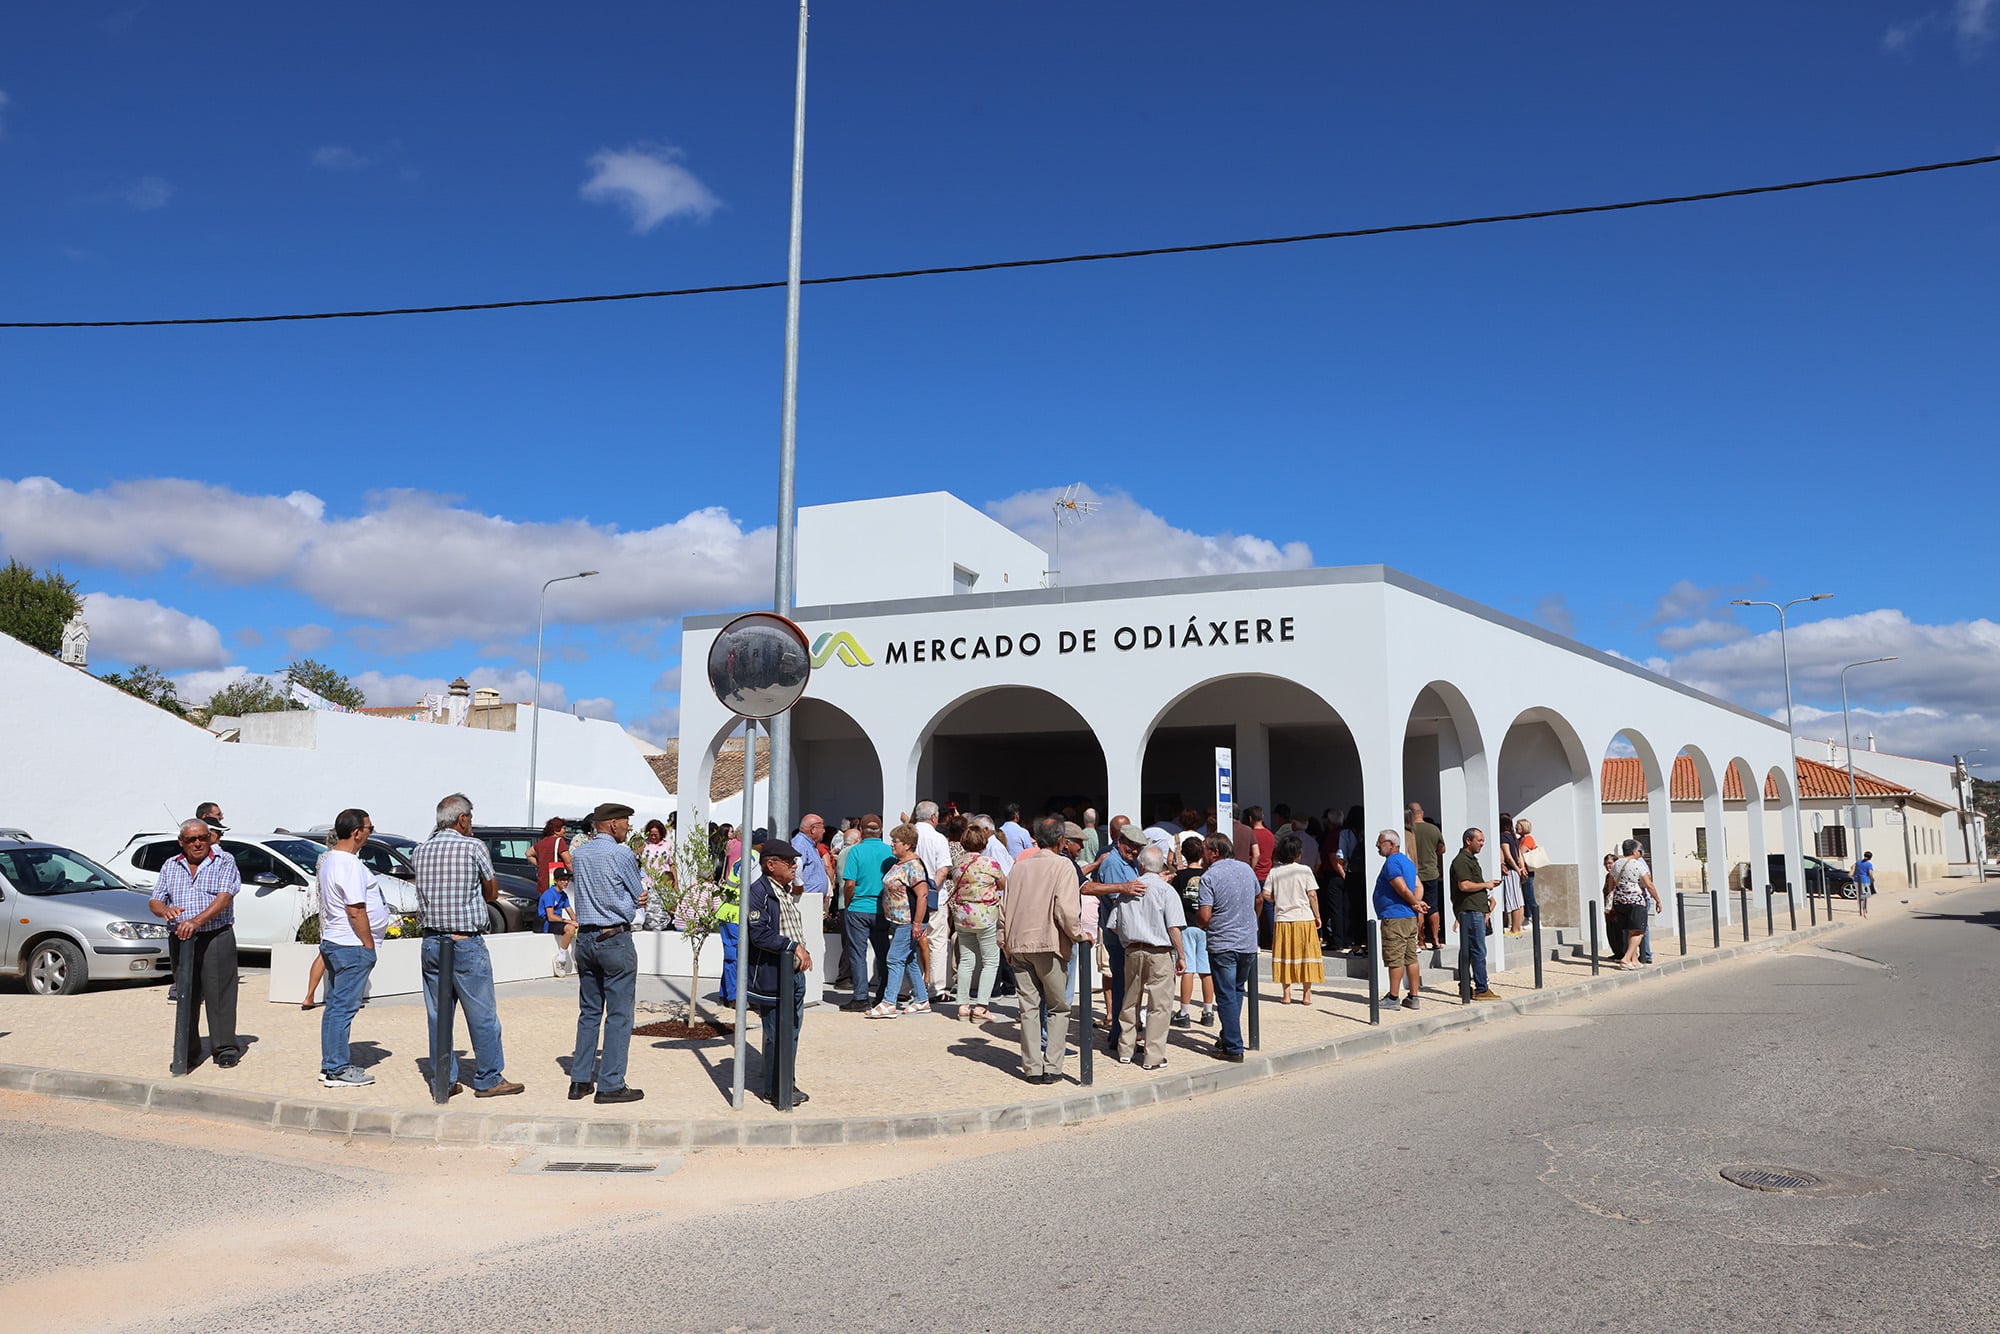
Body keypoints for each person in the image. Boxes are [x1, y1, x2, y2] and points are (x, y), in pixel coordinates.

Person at [408, 793, 522, 1097]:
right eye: (470, 817)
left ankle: (443, 1078)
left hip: (432, 941)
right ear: (462, 819)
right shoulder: (473, 847)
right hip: (465, 941)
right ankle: (488, 1079)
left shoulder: (420, 851)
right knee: (482, 1014)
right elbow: (492, 892)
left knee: (438, 1015)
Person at [567, 801, 647, 1104]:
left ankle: (580, 1080)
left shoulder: (581, 852)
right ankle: (611, 1084)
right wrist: (633, 904)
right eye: (625, 821)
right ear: (612, 824)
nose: (628, 826)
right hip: (613, 937)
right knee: (619, 1014)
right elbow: (635, 895)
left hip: (584, 939)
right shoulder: (621, 852)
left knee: (588, 1012)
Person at [147, 818, 242, 1069]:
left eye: (203, 837)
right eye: (192, 839)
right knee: (186, 995)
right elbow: (155, 900)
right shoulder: (170, 865)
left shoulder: (224, 861)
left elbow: (224, 897)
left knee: (220, 994)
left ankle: (225, 1048)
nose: (199, 843)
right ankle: (186, 1050)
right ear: (182, 842)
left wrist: (196, 921)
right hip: (181, 940)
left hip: (215, 935)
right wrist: (164, 910)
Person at [997, 816, 1083, 1085]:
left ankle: (1032, 1067)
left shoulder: (1018, 868)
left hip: (1020, 944)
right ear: (1061, 840)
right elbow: (1066, 910)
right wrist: (1079, 935)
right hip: (1049, 943)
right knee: (1058, 1007)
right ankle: (1052, 1066)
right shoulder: (1063, 866)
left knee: (1029, 1008)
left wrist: (1004, 942)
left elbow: (1004, 909)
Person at [745, 840, 813, 1108]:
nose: (795, 866)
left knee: (792, 1031)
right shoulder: (759, 892)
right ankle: (775, 1088)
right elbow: (759, 933)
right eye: (789, 862)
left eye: (795, 862)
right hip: (772, 976)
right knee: (776, 1033)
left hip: (793, 976)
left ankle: (787, 1081)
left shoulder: (783, 890)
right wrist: (793, 946)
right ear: (771, 865)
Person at [315, 808, 379, 1088]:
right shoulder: (349, 864)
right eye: (369, 829)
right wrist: (368, 944)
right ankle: (336, 1068)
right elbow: (355, 910)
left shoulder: (331, 859)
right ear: (356, 833)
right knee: (343, 1008)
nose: (369, 833)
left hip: (335, 941)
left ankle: (331, 1064)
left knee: (335, 1007)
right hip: (350, 945)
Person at [1108, 845, 1185, 1069]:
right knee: (1159, 1006)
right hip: (1159, 951)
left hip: (1133, 949)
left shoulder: (1129, 889)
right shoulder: (1166, 890)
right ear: (1160, 866)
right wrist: (1181, 954)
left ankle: (1125, 1049)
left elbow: (1113, 924)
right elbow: (1174, 927)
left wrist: (1128, 935)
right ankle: (1153, 1056)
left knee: (1130, 1000)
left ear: (1141, 865)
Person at [1196, 832, 1260, 1062]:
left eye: (1204, 849)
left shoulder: (1209, 877)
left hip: (1223, 943)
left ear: (1215, 853)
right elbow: (1259, 899)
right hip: (1248, 943)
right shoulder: (1247, 869)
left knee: (1225, 996)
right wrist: (1251, 921)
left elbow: (1204, 915)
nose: (1201, 854)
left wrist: (1198, 923)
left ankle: (1233, 1047)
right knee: (1236, 991)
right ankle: (1228, 1035)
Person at [868, 824, 933, 1018]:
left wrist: (917, 924)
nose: (892, 845)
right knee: (909, 960)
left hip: (909, 921)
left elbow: (922, 895)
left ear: (907, 844)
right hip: (898, 920)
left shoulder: (914, 866)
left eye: (895, 841)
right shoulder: (900, 863)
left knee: (894, 958)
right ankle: (922, 1000)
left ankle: (889, 1003)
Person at [945, 823, 1006, 1022]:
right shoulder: (990, 863)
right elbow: (1004, 884)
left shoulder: (957, 862)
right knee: (990, 961)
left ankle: (963, 1004)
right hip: (985, 914)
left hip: (962, 915)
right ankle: (981, 1006)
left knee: (967, 960)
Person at [838, 815, 893, 1011]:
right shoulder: (889, 852)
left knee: (857, 954)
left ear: (861, 830)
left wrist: (849, 901)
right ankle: (885, 994)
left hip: (859, 908)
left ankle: (861, 997)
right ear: (881, 830)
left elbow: (849, 883)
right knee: (883, 953)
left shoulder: (856, 851)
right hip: (881, 908)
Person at [1261, 832, 1323, 1003]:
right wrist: (1318, 915)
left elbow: (1265, 893)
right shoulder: (1305, 870)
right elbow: (1312, 895)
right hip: (1304, 917)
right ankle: (1306, 995)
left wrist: (1277, 899)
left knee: (1285, 956)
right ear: (1298, 853)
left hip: (1282, 918)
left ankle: (1286, 995)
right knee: (1307, 956)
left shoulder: (1275, 872)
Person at [1374, 829, 1427, 1009]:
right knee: (1410, 957)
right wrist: (1417, 902)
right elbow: (1418, 885)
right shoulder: (1407, 862)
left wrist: (1415, 903)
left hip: (1395, 917)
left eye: (1380, 842)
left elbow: (1402, 889)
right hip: (1408, 917)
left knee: (1395, 958)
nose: (1377, 846)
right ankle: (1413, 996)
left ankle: (1393, 997)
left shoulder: (1392, 862)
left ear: (1391, 844)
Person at [1450, 828, 1503, 1002]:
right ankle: (1481, 988)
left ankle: (1466, 986)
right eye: (1479, 840)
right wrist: (1486, 885)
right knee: (1477, 950)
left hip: (1477, 910)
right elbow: (1464, 886)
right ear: (1468, 840)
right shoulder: (1461, 861)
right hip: (1470, 912)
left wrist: (1487, 902)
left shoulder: (1471, 860)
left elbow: (1473, 886)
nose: (1482, 843)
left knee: (1470, 950)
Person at [1170, 835, 1215, 1028]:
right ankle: (1208, 1011)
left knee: (1187, 968)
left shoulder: (1179, 877)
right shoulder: (1208, 874)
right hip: (1205, 925)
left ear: (1184, 855)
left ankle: (1185, 1011)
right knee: (1206, 970)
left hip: (1185, 925)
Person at [911, 801, 954, 1000]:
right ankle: (935, 988)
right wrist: (930, 891)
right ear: (934, 818)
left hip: (909, 896)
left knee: (909, 941)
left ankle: (908, 987)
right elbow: (943, 869)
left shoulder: (907, 834)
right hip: (935, 899)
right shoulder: (938, 839)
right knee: (937, 941)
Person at [1609, 839, 1661, 970]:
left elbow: (1611, 883)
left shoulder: (1616, 864)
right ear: (1634, 851)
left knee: (1628, 930)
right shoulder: (1637, 865)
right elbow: (1649, 885)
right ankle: (1626, 959)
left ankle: (1634, 960)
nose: (1641, 854)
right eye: (1640, 851)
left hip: (1619, 901)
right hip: (1635, 900)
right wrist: (1658, 900)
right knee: (1639, 931)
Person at [1406, 802, 1448, 950]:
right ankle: (1436, 939)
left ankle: (1421, 940)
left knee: (1418, 906)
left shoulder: (1408, 830)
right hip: (1431, 872)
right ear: (1421, 812)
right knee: (1433, 907)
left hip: (1414, 874)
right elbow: (1442, 849)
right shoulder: (1433, 829)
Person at [541, 865, 578, 975]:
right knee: (570, 929)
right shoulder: (549, 894)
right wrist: (569, 921)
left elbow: (571, 913)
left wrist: (578, 922)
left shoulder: (564, 895)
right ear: (556, 881)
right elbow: (551, 916)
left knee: (580, 927)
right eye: (562, 880)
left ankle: (579, 958)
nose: (565, 882)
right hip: (548, 923)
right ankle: (561, 959)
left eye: (567, 880)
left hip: (558, 922)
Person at [1497, 814, 1527, 937]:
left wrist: (1516, 869)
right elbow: (1519, 854)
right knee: (1519, 900)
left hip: (1510, 872)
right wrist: (1521, 868)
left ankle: (1515, 929)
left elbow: (1508, 856)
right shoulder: (1513, 837)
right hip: (1516, 871)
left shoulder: (1503, 837)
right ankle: (1517, 928)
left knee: (1514, 901)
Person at [529, 816, 570, 893]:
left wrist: (540, 864)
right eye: (564, 828)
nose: (566, 830)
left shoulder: (542, 842)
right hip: (556, 881)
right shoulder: (559, 841)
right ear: (556, 830)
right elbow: (568, 861)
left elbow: (528, 854)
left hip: (542, 882)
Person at [1515, 816, 1541, 928]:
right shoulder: (1520, 839)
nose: (1516, 827)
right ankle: (1528, 917)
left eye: (1518, 825)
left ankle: (1535, 919)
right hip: (1522, 870)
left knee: (1529, 895)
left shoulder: (1528, 839)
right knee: (1525, 895)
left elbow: (1520, 852)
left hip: (1527, 870)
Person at [1856, 850, 1874, 916]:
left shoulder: (1858, 862)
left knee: (1859, 895)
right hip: (1865, 881)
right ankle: (1864, 908)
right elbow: (1870, 873)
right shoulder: (1869, 864)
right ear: (1870, 858)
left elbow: (1853, 867)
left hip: (1857, 880)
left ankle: (1860, 908)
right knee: (1865, 895)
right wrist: (1872, 879)